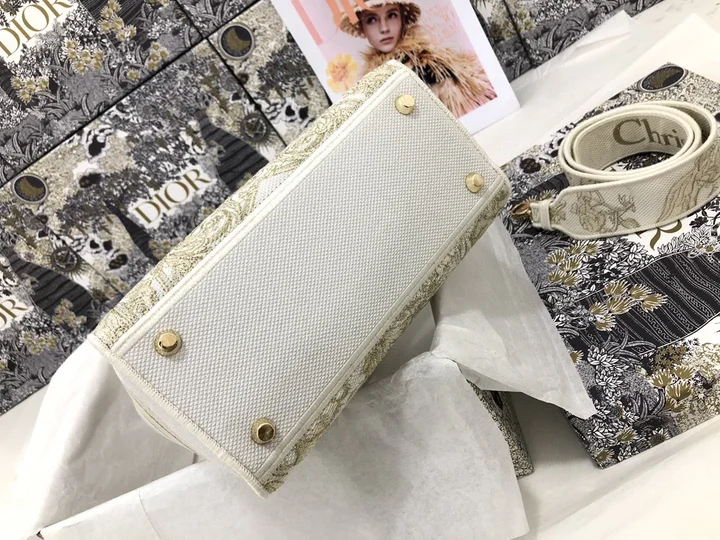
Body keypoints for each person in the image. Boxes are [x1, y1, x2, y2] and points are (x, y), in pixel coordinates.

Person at [339, 0, 497, 116]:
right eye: (371, 20)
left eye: (391, 15)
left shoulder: (427, 66)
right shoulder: (371, 81)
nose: (384, 28)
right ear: (362, 26)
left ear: (402, 19)